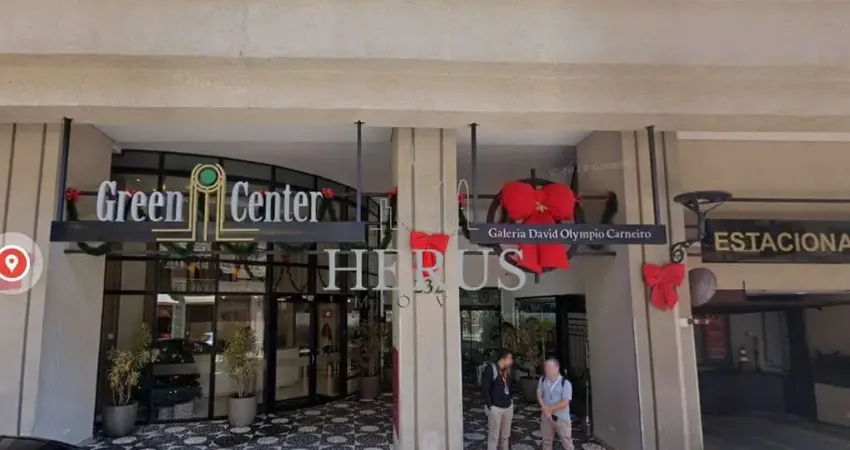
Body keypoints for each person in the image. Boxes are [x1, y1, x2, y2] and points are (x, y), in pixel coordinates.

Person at [480, 349, 515, 450]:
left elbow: (510, 386)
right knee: (494, 437)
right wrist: (490, 406)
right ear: (503, 358)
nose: (511, 361)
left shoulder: (508, 370)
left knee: (505, 436)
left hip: (508, 407)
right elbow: (485, 389)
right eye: (510, 359)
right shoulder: (490, 370)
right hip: (495, 408)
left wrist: (511, 401)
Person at [537, 358, 574, 450]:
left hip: (561, 418)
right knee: (546, 441)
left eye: (549, 367)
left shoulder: (565, 383)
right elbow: (539, 394)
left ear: (557, 368)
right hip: (546, 417)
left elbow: (565, 402)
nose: (546, 369)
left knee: (566, 442)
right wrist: (544, 406)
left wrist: (549, 408)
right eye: (546, 367)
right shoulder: (542, 379)